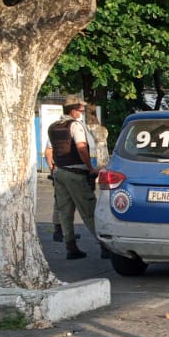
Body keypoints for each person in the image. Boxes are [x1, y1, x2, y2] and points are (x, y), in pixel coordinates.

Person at [44, 101, 104, 260]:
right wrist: (91, 167)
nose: (82, 113)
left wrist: (53, 168)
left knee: (65, 212)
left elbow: (48, 151)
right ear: (72, 111)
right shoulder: (75, 126)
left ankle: (70, 247)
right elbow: (82, 147)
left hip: (60, 172)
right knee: (89, 210)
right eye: (80, 110)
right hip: (76, 174)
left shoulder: (53, 127)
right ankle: (104, 246)